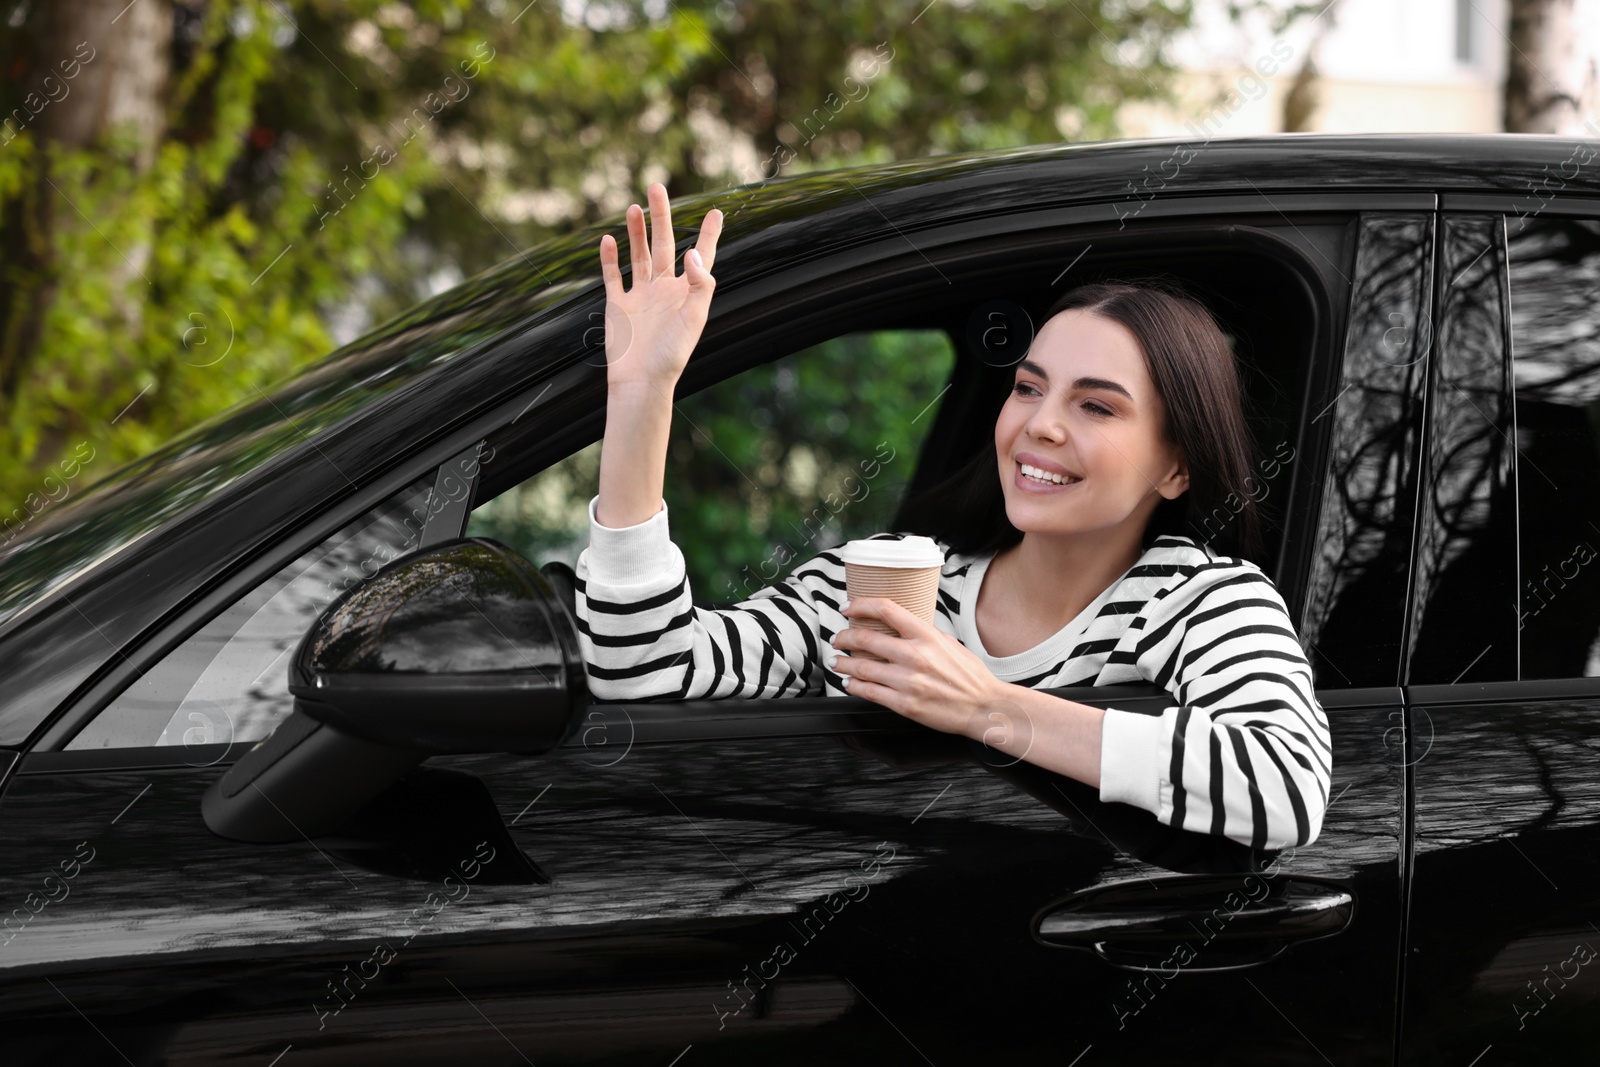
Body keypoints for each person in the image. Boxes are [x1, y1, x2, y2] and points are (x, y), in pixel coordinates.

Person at [574, 182, 1331, 852]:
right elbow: (644, 670)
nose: (1041, 425)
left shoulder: (1200, 601)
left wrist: (987, 708)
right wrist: (643, 392)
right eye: (1030, 388)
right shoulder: (882, 579)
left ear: (1176, 465)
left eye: (1095, 405)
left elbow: (1287, 785)